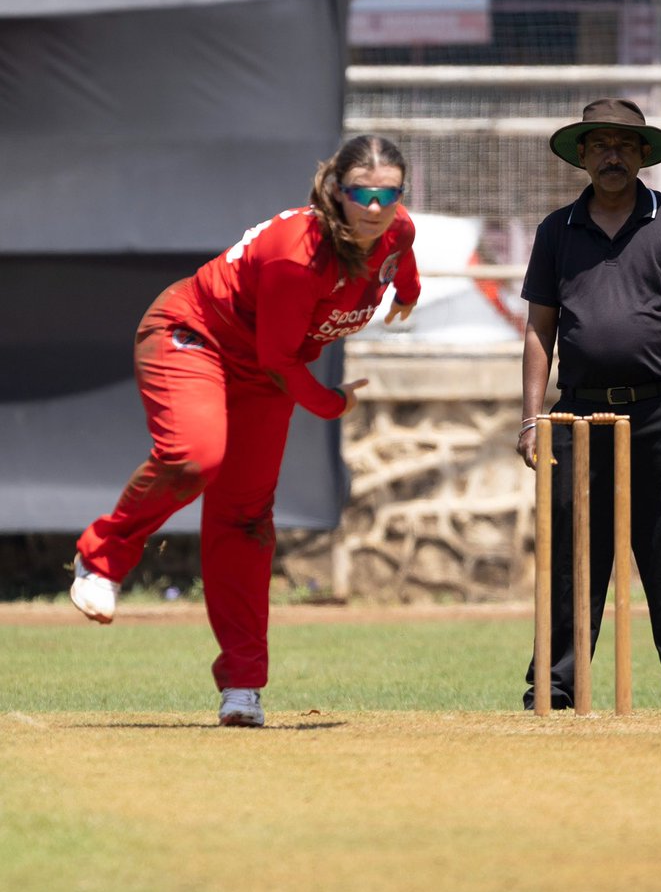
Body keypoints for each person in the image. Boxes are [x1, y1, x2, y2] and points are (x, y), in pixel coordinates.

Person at [69, 134, 420, 728]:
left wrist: (407, 292)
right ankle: (100, 559)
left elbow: (399, 260)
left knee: (246, 517)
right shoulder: (297, 255)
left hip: (262, 369)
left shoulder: (396, 227)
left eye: (390, 193)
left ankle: (242, 686)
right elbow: (283, 360)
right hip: (196, 334)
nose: (377, 206)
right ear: (337, 191)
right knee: (194, 458)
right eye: (363, 191)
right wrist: (332, 405)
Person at [517, 97, 661, 710]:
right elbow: (539, 330)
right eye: (600, 144)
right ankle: (555, 689)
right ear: (582, 155)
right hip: (577, 414)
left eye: (624, 144)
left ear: (644, 155)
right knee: (569, 554)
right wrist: (533, 418)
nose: (612, 155)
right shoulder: (555, 231)